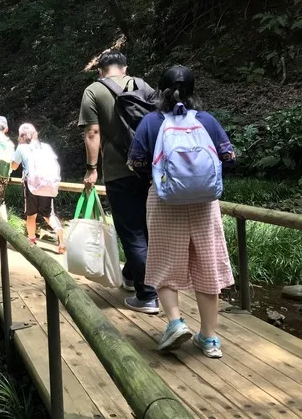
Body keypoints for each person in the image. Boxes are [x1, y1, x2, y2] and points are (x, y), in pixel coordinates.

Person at [127, 65, 235, 358]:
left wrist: (158, 178)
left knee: (164, 262)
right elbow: (228, 156)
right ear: (193, 91)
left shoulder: (151, 122)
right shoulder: (206, 120)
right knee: (207, 263)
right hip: (204, 204)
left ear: (160, 92)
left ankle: (175, 322)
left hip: (164, 201)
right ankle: (210, 339)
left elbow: (136, 163)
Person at [79, 49, 159, 314]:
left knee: (132, 232)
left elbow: (92, 131)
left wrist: (92, 169)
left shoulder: (93, 90)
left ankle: (148, 295)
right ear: (124, 68)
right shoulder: (143, 85)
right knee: (144, 229)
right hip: (149, 170)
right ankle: (130, 276)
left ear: (100, 70)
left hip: (118, 170)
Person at [11, 123, 64, 253]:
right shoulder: (46, 147)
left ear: (21, 136)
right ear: (36, 133)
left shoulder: (21, 148)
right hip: (48, 183)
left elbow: (13, 166)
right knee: (48, 214)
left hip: (31, 185)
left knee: (31, 215)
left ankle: (32, 242)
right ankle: (61, 239)